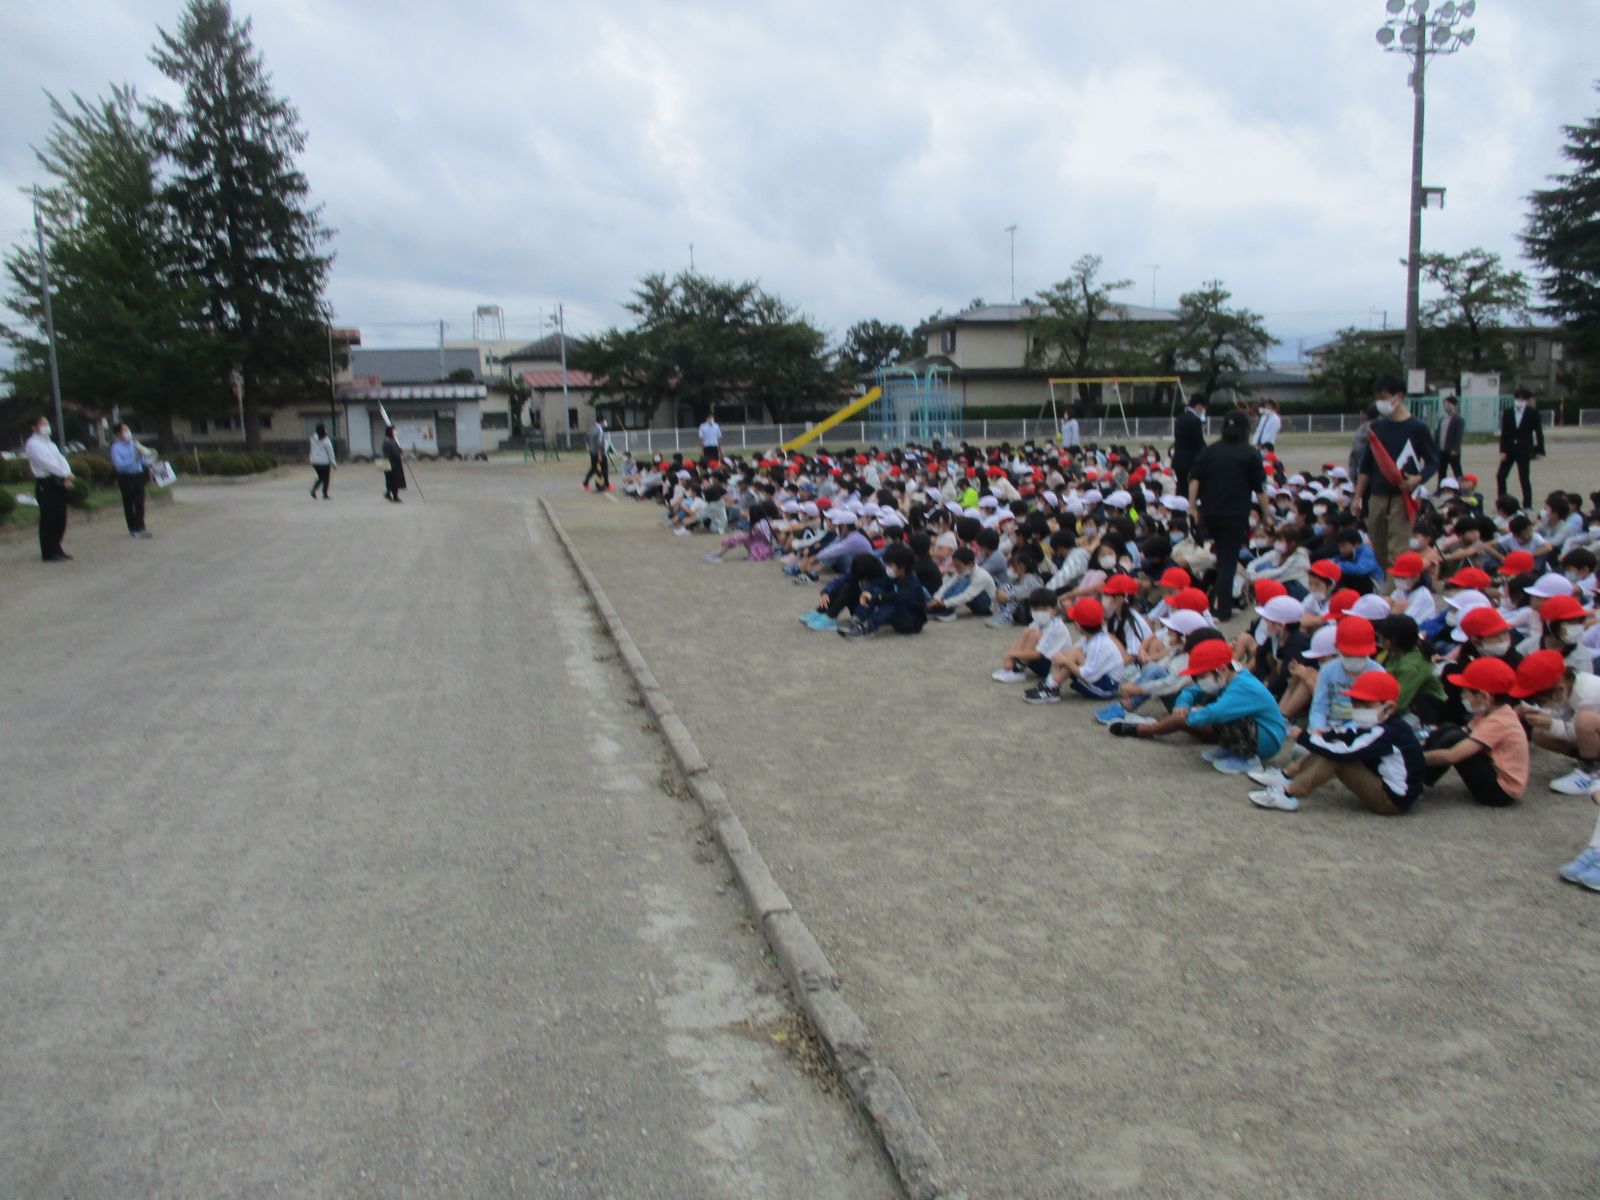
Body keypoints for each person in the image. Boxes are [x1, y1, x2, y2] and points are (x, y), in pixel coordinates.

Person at [1248, 670, 1426, 815]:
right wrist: (1325, 735)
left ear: (1390, 707)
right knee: (1330, 745)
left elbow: (1344, 752)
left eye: (1366, 705)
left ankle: (1288, 792)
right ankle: (1285, 776)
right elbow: (1352, 734)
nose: (1359, 710)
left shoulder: (1386, 732)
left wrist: (1306, 738)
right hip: (1394, 790)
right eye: (1355, 704)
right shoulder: (1384, 722)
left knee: (1336, 758)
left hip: (1393, 800)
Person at [1107, 637, 1288, 775]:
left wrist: (1183, 719)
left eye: (1201, 676)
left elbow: (1215, 713)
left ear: (1220, 670)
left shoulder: (1242, 685)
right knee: (1212, 707)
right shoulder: (1227, 677)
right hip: (1254, 728)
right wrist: (1182, 706)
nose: (1199, 681)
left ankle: (1248, 757)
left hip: (1267, 739)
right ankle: (1231, 748)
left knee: (1218, 712)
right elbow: (1191, 691)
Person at [1187, 409, 1268, 621]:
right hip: (1234, 515)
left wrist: (1192, 507)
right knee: (1227, 562)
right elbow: (1260, 489)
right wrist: (1267, 515)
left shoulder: (1210, 451)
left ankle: (1213, 602)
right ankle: (1221, 609)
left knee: (1220, 558)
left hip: (1210, 514)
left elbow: (1194, 479)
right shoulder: (1250, 453)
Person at [1354, 375, 1439, 571]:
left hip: (1403, 496)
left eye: (1384, 397)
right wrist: (1357, 496)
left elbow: (1433, 461)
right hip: (1377, 494)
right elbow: (1366, 465)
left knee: (1398, 547)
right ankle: (1393, 580)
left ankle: (1393, 591)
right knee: (1377, 544)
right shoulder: (1377, 427)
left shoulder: (1417, 427)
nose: (1380, 403)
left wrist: (1418, 479)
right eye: (1378, 398)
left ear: (1398, 396)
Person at [1422, 656, 1529, 807]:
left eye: (1466, 692)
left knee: (1455, 739)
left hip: (1500, 792)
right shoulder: (1490, 712)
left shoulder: (1499, 721)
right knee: (1449, 728)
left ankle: (1416, 776)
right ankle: (1419, 775)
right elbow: (1462, 730)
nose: (1463, 696)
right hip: (1493, 772)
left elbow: (1453, 755)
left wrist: (1414, 756)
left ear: (1485, 696)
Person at [24, 414, 76, 561]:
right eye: (42, 423)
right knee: (49, 518)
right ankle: (48, 551)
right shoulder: (33, 444)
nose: (46, 426)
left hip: (58, 481)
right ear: (34, 427)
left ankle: (57, 547)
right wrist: (64, 473)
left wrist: (68, 472)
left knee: (60, 517)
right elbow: (46, 463)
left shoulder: (50, 444)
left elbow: (61, 459)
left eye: (47, 423)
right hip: (45, 483)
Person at [1497, 386, 1545, 509]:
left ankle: (1527, 504)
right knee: (1501, 475)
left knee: (1524, 478)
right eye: (1517, 398)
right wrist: (1502, 450)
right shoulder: (1508, 413)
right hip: (1509, 449)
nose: (1519, 401)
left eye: (1522, 399)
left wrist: (1540, 450)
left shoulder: (1533, 413)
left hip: (1524, 449)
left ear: (1527, 401)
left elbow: (1538, 432)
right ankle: (1502, 502)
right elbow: (1504, 433)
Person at [110, 422, 153, 538]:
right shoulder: (116, 448)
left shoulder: (134, 444)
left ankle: (141, 527)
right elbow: (119, 465)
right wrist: (134, 459)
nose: (127, 431)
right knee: (129, 503)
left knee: (140, 503)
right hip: (126, 477)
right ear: (118, 433)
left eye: (127, 429)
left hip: (138, 475)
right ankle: (133, 528)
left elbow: (143, 460)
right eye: (124, 430)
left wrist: (149, 460)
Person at [1171, 392, 1208, 494]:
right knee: (1190, 490)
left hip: (1178, 460)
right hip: (1190, 462)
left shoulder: (1180, 418)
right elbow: (1199, 443)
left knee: (1181, 488)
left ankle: (1178, 509)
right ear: (1199, 405)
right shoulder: (1194, 420)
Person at [1435, 395, 1465, 482]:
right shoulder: (1441, 419)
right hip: (1441, 450)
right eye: (1445, 404)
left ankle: (1461, 487)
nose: (1446, 407)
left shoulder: (1458, 420)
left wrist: (1455, 449)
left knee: (1457, 470)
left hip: (1452, 451)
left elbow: (1458, 436)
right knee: (1441, 471)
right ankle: (1441, 489)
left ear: (1454, 405)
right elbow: (1437, 435)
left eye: (1448, 404)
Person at [582, 416, 611, 492]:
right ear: (601, 421)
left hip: (592, 452)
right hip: (598, 452)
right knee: (603, 468)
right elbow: (599, 444)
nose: (605, 423)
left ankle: (586, 483)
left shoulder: (593, 428)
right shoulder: (599, 430)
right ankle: (604, 485)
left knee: (594, 468)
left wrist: (588, 447)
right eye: (604, 421)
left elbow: (586, 438)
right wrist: (600, 455)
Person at [308, 422, 336, 500]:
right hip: (324, 462)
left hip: (314, 462)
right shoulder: (326, 441)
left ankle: (314, 490)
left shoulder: (312, 438)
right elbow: (330, 453)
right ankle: (324, 494)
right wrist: (333, 463)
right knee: (325, 478)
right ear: (324, 430)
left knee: (321, 477)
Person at [382, 426, 406, 502]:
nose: (395, 432)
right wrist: (400, 451)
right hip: (393, 464)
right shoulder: (391, 442)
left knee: (389, 479)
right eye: (394, 431)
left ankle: (388, 493)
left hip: (386, 462)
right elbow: (395, 453)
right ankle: (395, 496)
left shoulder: (386, 441)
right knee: (395, 480)